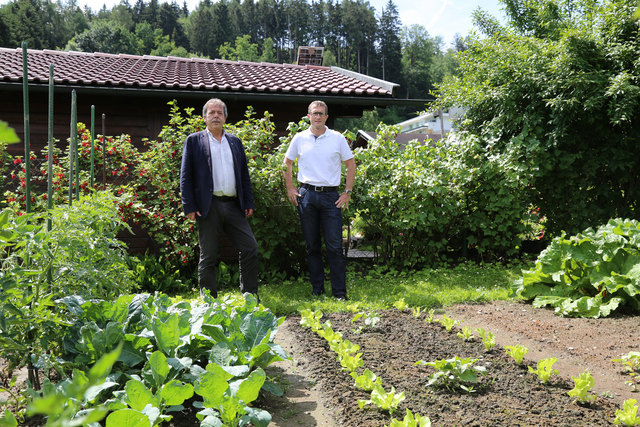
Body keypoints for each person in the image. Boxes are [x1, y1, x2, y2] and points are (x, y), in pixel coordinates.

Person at [180, 98, 259, 299]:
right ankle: (208, 300)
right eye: (212, 113)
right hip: (208, 205)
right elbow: (185, 175)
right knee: (208, 255)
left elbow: (243, 174)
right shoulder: (194, 140)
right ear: (204, 117)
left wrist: (248, 202)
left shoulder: (235, 142)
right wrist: (188, 206)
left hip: (234, 205)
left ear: (225, 117)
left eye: (220, 113)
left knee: (250, 247)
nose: (216, 116)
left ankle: (250, 296)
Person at [283, 100, 355, 300]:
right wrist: (290, 188)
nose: (317, 116)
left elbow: (350, 164)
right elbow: (287, 163)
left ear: (326, 117)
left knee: (334, 245)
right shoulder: (299, 138)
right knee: (312, 245)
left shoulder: (337, 138)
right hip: (306, 195)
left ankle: (339, 293)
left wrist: (347, 192)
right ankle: (317, 290)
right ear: (308, 116)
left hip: (331, 197)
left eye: (321, 113)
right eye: (314, 113)